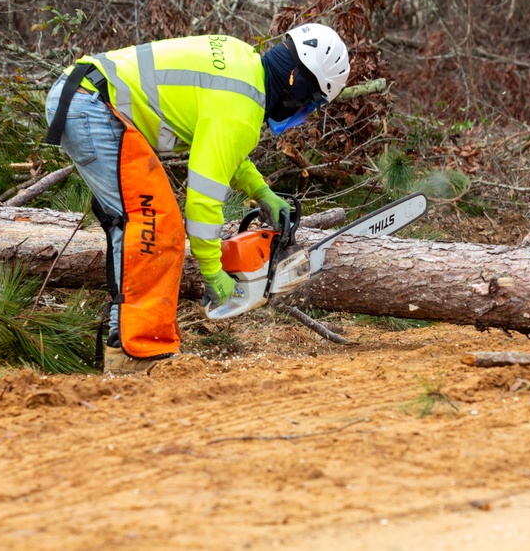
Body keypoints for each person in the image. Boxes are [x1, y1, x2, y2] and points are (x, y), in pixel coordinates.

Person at [43, 23, 350, 375]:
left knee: (135, 222)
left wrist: (260, 190)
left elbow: (220, 146)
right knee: (152, 225)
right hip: (93, 107)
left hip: (86, 95)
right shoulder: (241, 106)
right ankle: (132, 349)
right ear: (296, 80)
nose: (299, 113)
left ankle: (123, 339)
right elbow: (203, 201)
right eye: (307, 104)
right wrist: (214, 274)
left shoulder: (243, 65)